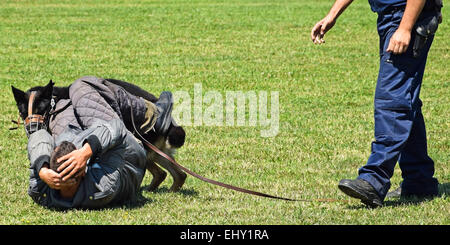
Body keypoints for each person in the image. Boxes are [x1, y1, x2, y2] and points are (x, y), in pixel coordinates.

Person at [311, 0, 442, 207]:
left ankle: (374, 179)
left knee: (393, 99)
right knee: (405, 98)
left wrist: (405, 28)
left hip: (407, 16)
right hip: (390, 17)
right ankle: (419, 180)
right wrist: (332, 15)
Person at [28, 119, 149, 209]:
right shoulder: (104, 185)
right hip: (132, 155)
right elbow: (117, 127)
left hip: (75, 132)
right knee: (81, 89)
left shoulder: (41, 190)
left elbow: (39, 134)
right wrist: (86, 151)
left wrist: (42, 169)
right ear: (83, 173)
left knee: (61, 107)